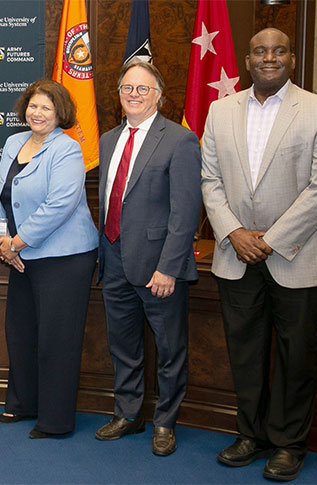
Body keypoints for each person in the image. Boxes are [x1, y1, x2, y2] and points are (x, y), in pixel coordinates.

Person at [201, 28, 317, 482]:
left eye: (279, 50)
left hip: (299, 254)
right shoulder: (219, 110)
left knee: (295, 355)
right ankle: (252, 434)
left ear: (291, 57)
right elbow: (210, 181)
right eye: (261, 51)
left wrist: (271, 239)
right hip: (236, 253)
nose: (270, 58)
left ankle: (288, 443)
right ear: (247, 60)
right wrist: (235, 233)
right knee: (245, 352)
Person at [94, 59, 201, 456]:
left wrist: (169, 267)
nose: (134, 95)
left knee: (170, 348)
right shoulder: (108, 140)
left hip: (158, 266)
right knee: (123, 344)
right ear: (118, 94)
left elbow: (185, 211)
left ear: (159, 96)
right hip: (114, 257)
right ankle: (129, 413)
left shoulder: (179, 140)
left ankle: (165, 422)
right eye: (127, 88)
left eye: (142, 89)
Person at [0, 79, 99, 439]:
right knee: (20, 333)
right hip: (19, 254)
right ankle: (22, 405)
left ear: (60, 113)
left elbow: (60, 205)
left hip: (64, 258)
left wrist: (17, 242)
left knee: (56, 339)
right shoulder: (13, 142)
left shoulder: (67, 149)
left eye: (46, 108)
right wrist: (2, 239)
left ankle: (55, 420)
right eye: (33, 106)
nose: (37, 113)